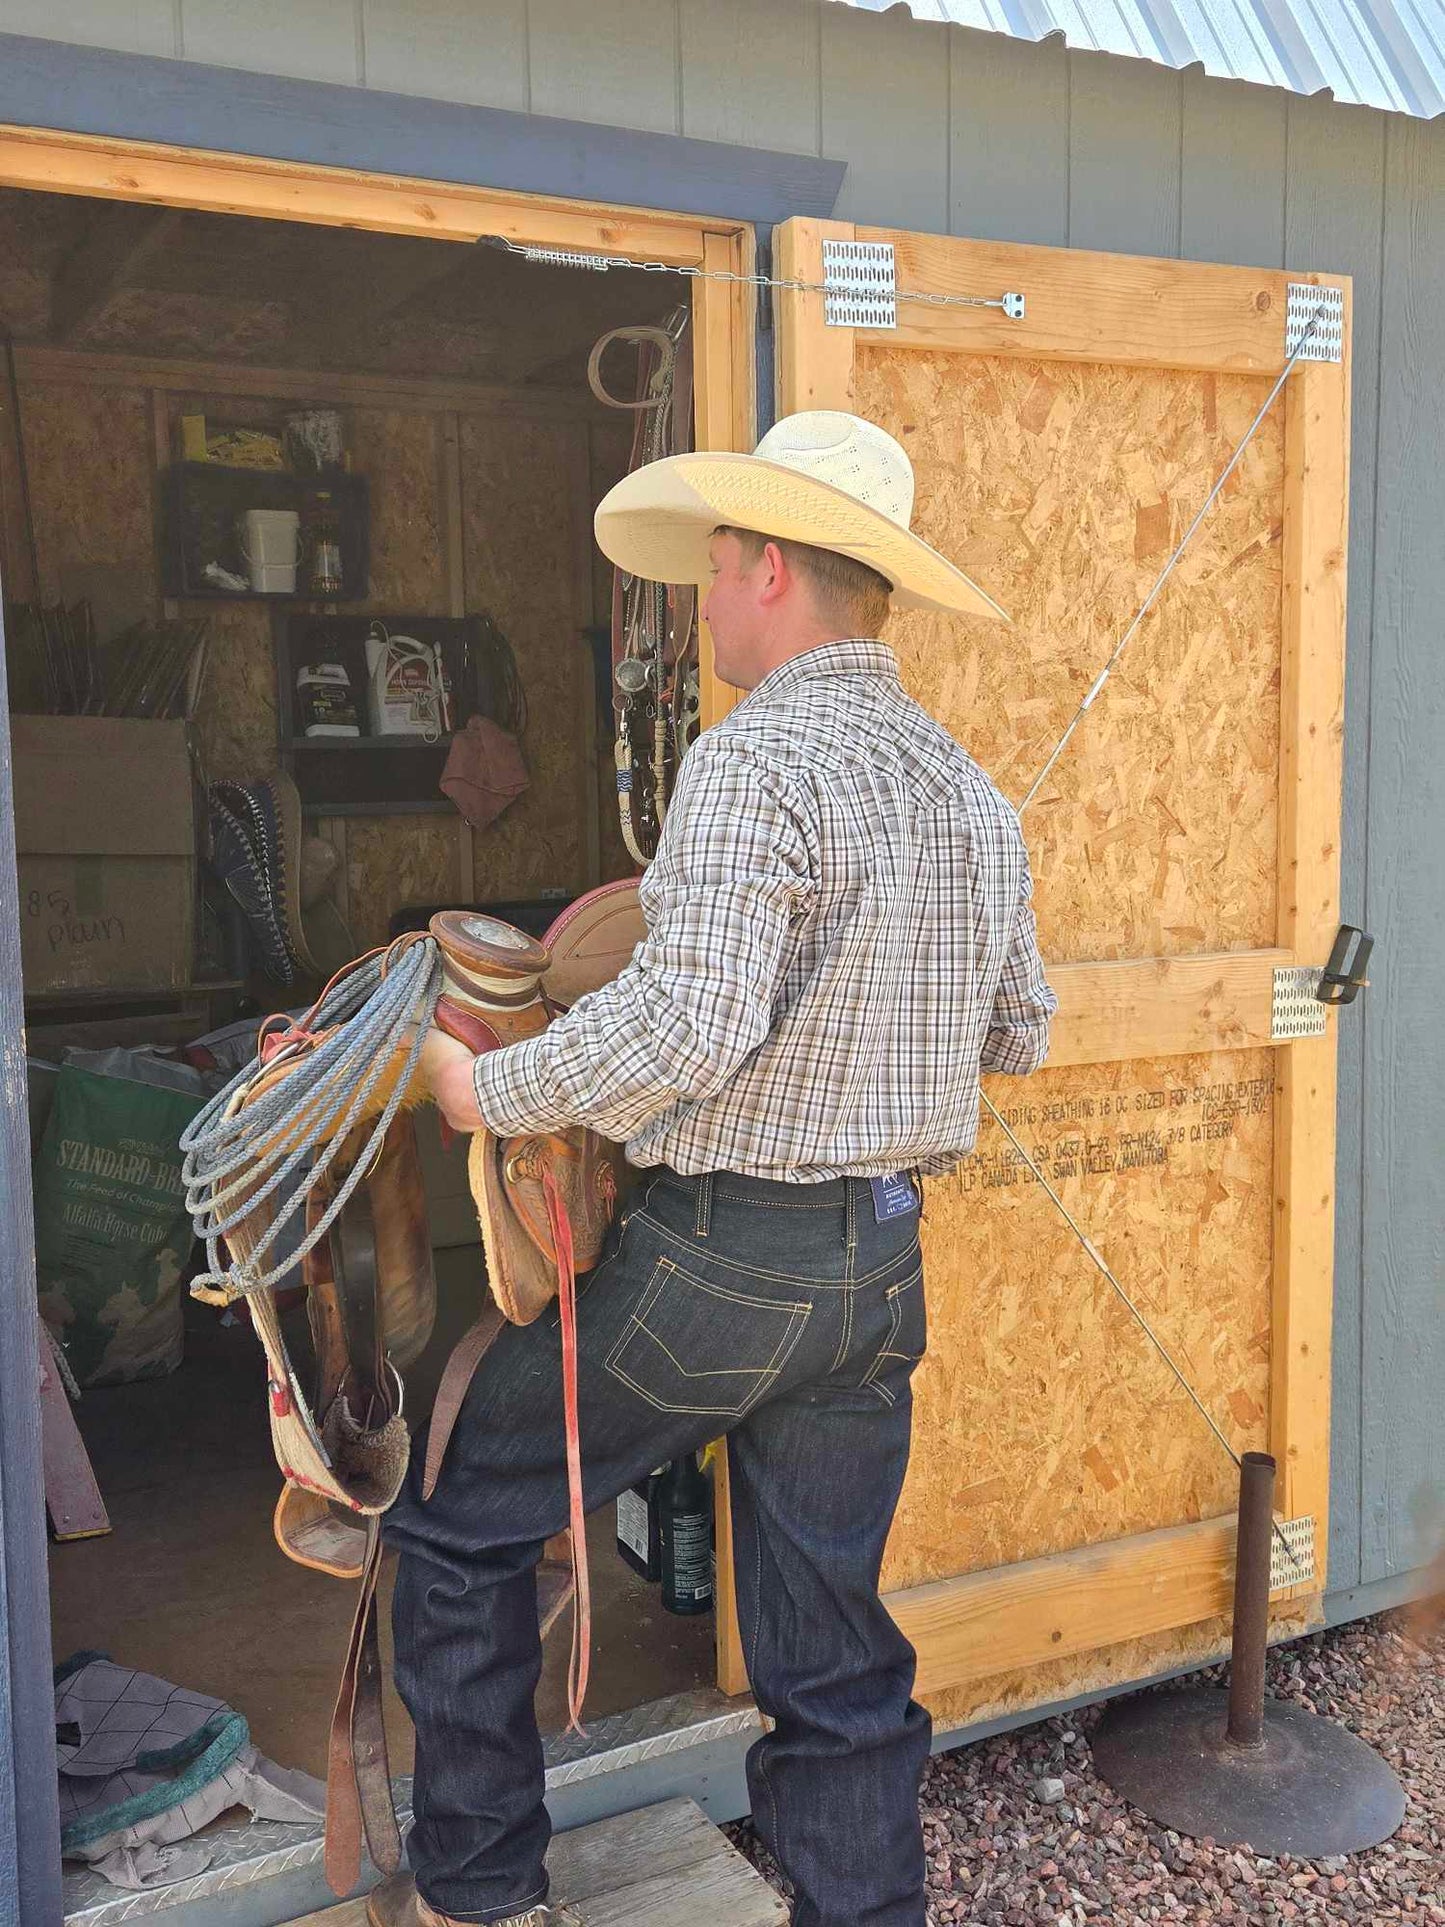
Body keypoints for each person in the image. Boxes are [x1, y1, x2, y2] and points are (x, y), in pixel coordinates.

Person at [373, 411, 1058, 1927]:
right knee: (832, 1646)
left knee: (460, 1514)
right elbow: (1015, 1032)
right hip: (878, 1266)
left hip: (716, 1259)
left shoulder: (750, 761)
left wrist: (486, 1089)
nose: (694, 604)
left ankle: (477, 1894)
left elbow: (685, 1025)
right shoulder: (969, 787)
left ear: (758, 567)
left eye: (705, 571)